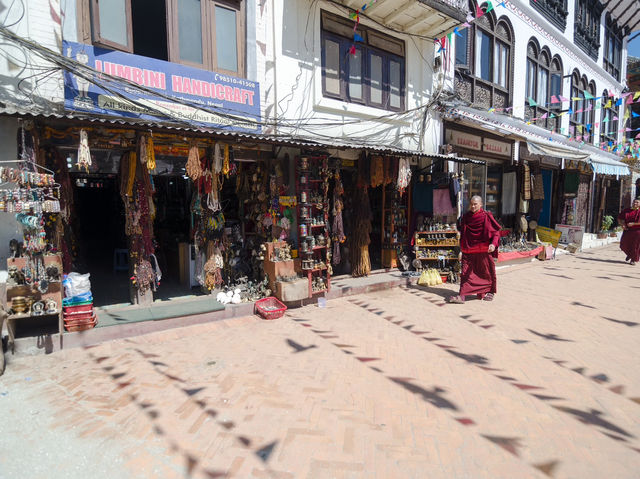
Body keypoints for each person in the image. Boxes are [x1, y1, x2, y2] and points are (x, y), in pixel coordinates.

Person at [448, 195, 501, 303]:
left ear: (481, 204)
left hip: (483, 249)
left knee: (485, 272)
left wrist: (493, 244)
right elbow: (463, 233)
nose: (472, 206)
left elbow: (496, 233)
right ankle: (462, 295)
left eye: (475, 204)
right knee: (466, 272)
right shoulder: (466, 217)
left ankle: (489, 291)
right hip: (469, 249)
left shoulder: (486, 216)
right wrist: (461, 248)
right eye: (471, 204)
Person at [618, 198, 640, 265]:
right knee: (623, 244)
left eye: (637, 202)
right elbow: (620, 218)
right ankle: (629, 254)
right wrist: (622, 225)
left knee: (635, 246)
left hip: (637, 231)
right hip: (627, 230)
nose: (635, 203)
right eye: (634, 202)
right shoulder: (627, 210)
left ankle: (633, 259)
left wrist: (633, 224)